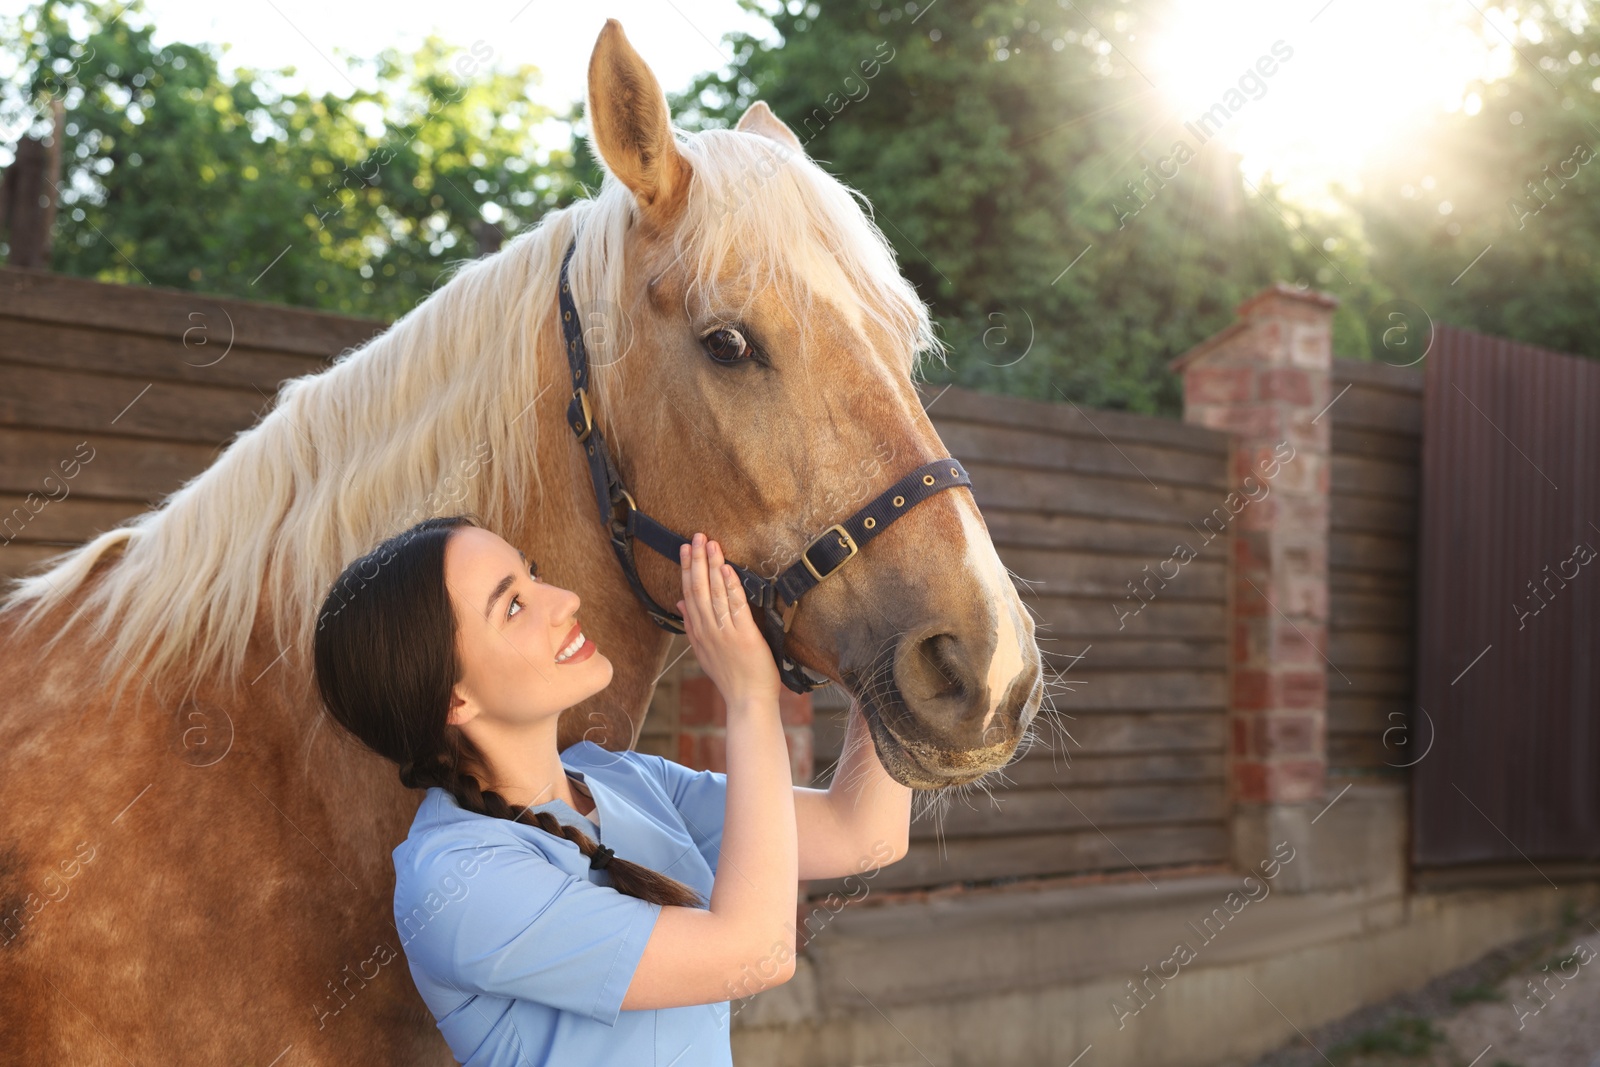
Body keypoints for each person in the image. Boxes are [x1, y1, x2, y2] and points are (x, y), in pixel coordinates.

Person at [312, 514, 810, 1065]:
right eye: (514, 606)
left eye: (534, 574)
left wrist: (898, 636)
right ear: (454, 701)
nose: (566, 600)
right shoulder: (455, 879)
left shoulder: (623, 779)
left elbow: (863, 830)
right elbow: (756, 952)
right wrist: (751, 700)